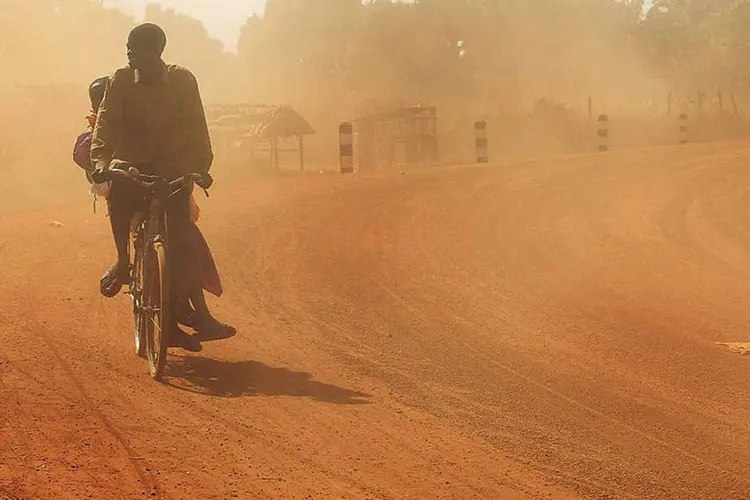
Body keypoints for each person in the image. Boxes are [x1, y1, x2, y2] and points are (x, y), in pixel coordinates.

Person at [91, 23, 233, 351]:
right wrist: (101, 163)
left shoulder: (183, 81)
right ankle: (123, 260)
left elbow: (198, 126)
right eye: (128, 47)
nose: (129, 54)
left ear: (157, 51)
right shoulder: (121, 80)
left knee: (182, 242)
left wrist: (201, 168)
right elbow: (106, 123)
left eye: (136, 48)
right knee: (121, 198)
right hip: (131, 167)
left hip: (172, 170)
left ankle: (182, 314)